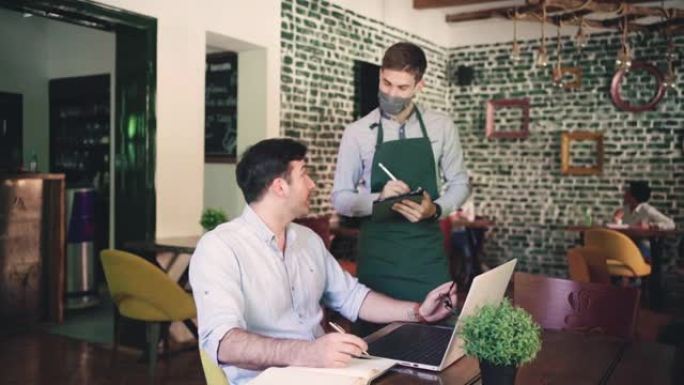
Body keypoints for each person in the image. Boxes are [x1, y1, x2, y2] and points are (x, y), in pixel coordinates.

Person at [189, 138, 457, 385]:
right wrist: (310, 353)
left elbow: (352, 298)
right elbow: (224, 343)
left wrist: (418, 312)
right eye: (304, 174)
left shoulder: (307, 240)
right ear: (280, 187)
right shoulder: (220, 248)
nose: (312, 184)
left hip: (326, 374)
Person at [331, 42, 469, 311]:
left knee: (436, 334)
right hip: (377, 257)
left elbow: (460, 184)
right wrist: (377, 197)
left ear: (420, 85)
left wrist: (436, 209)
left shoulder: (441, 127)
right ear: (380, 75)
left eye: (402, 87)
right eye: (386, 83)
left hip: (426, 257)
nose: (392, 93)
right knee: (376, 343)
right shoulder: (357, 132)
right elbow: (340, 198)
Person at [613, 180, 675, 260]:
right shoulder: (625, 209)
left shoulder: (647, 210)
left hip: (640, 246)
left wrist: (650, 226)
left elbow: (671, 224)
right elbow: (621, 228)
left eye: (627, 193)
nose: (624, 195)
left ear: (633, 196)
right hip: (626, 244)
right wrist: (616, 220)